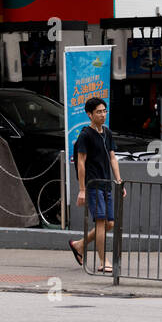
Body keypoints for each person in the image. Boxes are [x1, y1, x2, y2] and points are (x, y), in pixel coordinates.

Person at [69, 97, 124, 273]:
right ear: (89, 114)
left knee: (110, 224)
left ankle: (79, 245)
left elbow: (113, 158)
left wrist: (119, 181)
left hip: (107, 184)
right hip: (93, 186)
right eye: (98, 112)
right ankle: (103, 261)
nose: (102, 114)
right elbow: (81, 163)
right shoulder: (85, 135)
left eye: (104, 111)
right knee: (101, 222)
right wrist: (82, 190)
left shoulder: (107, 133)